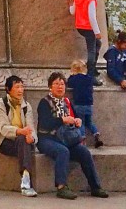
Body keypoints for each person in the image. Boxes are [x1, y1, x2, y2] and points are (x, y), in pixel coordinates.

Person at [36, 71, 109, 199]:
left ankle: (95, 187)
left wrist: (77, 121)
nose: (60, 87)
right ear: (50, 87)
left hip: (65, 138)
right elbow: (44, 124)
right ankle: (61, 187)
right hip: (47, 139)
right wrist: (62, 120)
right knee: (62, 151)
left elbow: (74, 118)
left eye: (62, 84)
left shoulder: (67, 102)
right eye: (56, 84)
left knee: (84, 152)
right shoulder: (44, 102)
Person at [0, 76, 38, 198]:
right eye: (17, 87)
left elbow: (30, 126)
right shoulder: (2, 104)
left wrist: (31, 137)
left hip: (21, 140)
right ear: (8, 89)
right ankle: (26, 184)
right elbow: (3, 128)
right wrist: (20, 131)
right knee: (23, 142)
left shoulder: (26, 106)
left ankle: (26, 180)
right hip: (4, 140)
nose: (20, 90)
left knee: (24, 142)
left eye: (22, 87)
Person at [68, 0, 103, 84]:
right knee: (91, 50)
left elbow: (72, 12)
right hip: (88, 27)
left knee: (97, 44)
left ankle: (93, 67)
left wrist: (70, 6)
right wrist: (97, 32)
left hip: (80, 26)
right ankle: (91, 74)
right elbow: (91, 17)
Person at [67, 60, 103, 148]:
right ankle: (96, 134)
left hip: (79, 104)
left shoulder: (74, 79)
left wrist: (71, 76)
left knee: (81, 123)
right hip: (89, 104)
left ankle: (82, 140)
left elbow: (69, 83)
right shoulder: (89, 78)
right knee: (89, 122)